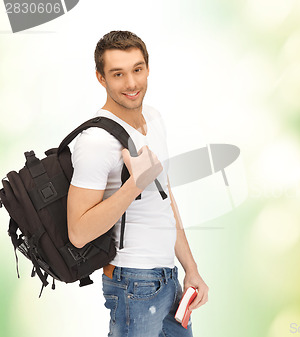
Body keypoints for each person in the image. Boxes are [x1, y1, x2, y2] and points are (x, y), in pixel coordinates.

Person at [67, 30, 208, 337]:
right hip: (132, 283)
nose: (131, 83)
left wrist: (190, 268)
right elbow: (78, 232)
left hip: (169, 279)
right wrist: (133, 185)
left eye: (137, 70)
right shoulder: (96, 142)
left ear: (147, 68)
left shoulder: (154, 118)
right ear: (101, 78)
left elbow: (164, 200)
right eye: (118, 74)